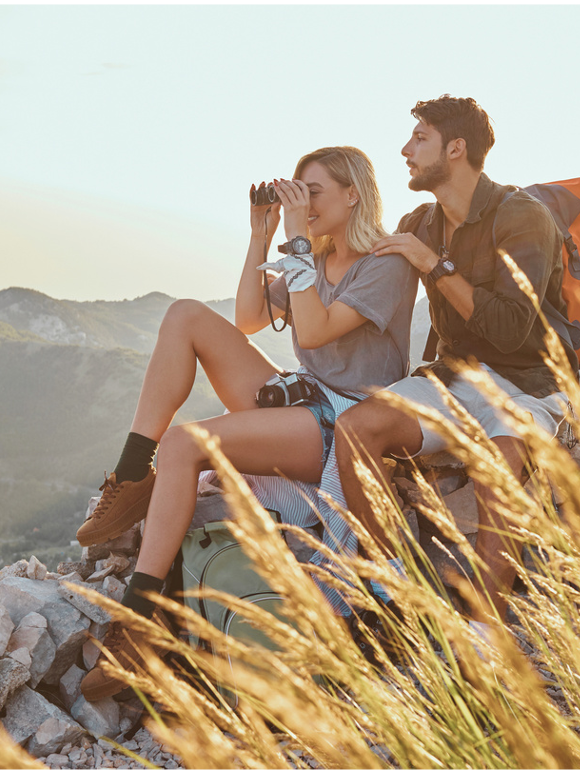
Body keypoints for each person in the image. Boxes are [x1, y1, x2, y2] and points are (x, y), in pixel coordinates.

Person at [77, 146, 419, 700]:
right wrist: (261, 236)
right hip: (302, 398)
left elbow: (313, 333)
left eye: (314, 193)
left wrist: (297, 241)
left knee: (187, 443)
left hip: (343, 423)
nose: (302, 205)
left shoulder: (386, 263)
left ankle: (139, 626)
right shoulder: (320, 260)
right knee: (185, 313)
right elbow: (249, 318)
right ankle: (132, 472)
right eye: (297, 192)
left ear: (353, 194)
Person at [329, 95, 574, 633]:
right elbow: (356, 267)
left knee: (500, 459)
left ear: (456, 148)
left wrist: (432, 264)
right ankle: (394, 597)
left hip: (526, 384)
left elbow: (512, 328)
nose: (405, 150)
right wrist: (295, 234)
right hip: (450, 377)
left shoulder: (522, 218)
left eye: (419, 138)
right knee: (354, 429)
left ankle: (485, 632)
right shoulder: (420, 220)